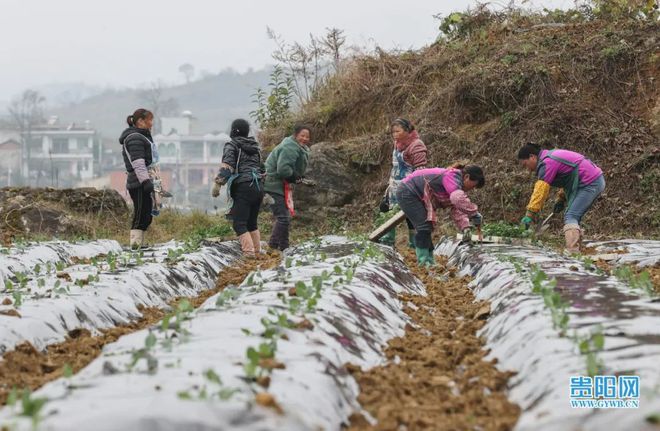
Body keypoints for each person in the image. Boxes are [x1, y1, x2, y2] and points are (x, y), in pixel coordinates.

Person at [517, 143, 605, 254]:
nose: (527, 169)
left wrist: (529, 215)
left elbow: (540, 191)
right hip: (591, 180)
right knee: (574, 215)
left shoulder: (547, 162)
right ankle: (579, 249)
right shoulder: (550, 157)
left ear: (532, 157)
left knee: (571, 215)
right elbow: (568, 175)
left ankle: (572, 252)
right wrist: (561, 199)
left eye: (526, 164)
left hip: (590, 182)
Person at [396, 165, 485, 266]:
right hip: (408, 191)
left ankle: (429, 261)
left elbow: (457, 208)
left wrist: (465, 227)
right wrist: (474, 213)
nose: (472, 189)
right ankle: (424, 263)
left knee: (427, 226)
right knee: (423, 227)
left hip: (414, 193)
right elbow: (457, 199)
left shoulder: (456, 186)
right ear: (466, 177)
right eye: (473, 186)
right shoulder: (452, 176)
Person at [212, 119, 264, 258]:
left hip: (244, 187)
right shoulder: (255, 147)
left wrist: (218, 184)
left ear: (233, 131)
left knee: (239, 224)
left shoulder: (232, 145)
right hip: (258, 187)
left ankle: (248, 254)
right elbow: (262, 168)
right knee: (251, 223)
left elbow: (228, 166)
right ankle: (257, 252)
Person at [379, 118, 428, 248]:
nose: (394, 135)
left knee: (410, 216)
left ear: (407, 130)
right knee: (386, 209)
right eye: (393, 132)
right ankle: (387, 242)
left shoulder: (416, 145)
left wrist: (417, 190)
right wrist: (390, 186)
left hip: (409, 187)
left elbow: (420, 171)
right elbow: (394, 167)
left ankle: (415, 245)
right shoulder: (397, 144)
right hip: (394, 185)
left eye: (397, 131)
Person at [263, 124, 311, 251]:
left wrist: (298, 177)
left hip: (279, 186)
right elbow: (283, 169)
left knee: (285, 217)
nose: (305, 138)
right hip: (272, 185)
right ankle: (272, 247)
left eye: (307, 136)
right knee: (283, 218)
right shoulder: (289, 147)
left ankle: (284, 247)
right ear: (296, 135)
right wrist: (295, 177)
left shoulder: (298, 147)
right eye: (302, 135)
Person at [119, 108, 155, 249]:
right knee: (140, 214)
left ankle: (139, 244)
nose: (151, 124)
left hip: (142, 180)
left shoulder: (141, 136)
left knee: (146, 214)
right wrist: (145, 181)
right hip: (138, 182)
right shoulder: (135, 138)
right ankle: (135, 245)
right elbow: (138, 162)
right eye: (150, 120)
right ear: (140, 121)